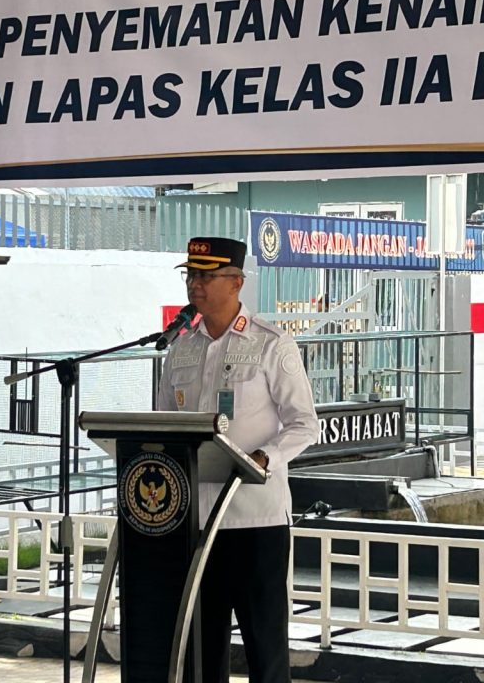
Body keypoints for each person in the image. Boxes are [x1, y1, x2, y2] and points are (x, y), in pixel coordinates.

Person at [157, 236, 318, 683]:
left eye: (206, 276)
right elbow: (164, 428)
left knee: (265, 652)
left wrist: (266, 456)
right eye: (191, 275)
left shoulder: (271, 344)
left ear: (236, 283)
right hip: (195, 523)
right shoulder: (180, 349)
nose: (195, 285)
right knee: (201, 655)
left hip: (255, 522)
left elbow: (305, 424)